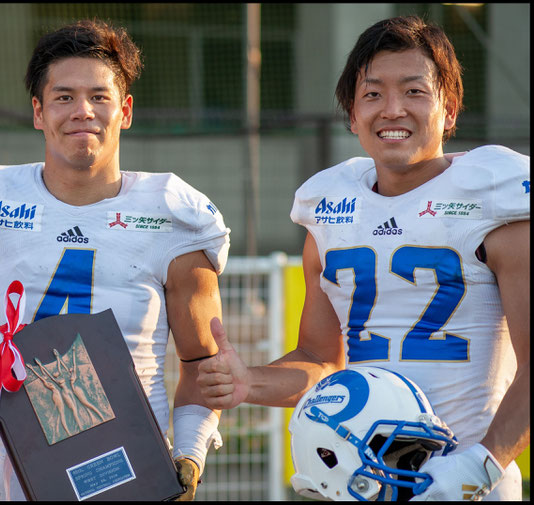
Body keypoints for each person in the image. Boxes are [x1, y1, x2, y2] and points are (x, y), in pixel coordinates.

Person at [197, 16, 529, 501]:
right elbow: (320, 360)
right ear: (352, 116)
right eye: (373, 95)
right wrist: (251, 382)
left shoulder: (494, 201)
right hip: (363, 481)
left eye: (414, 91)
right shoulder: (332, 209)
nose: (392, 110)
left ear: (449, 109)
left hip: (469, 482)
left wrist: (480, 466)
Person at [0, 19, 230, 501]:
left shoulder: (174, 215)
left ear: (125, 110)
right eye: (64, 97)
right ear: (38, 111)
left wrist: (190, 453)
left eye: (99, 96)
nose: (82, 111)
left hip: (134, 469)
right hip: (16, 469)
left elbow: (202, 363)